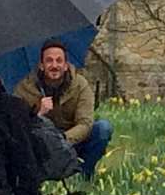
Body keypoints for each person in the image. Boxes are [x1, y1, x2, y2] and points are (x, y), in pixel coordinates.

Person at [11, 40, 113, 180]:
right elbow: (16, 126)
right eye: (49, 61)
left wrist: (63, 139)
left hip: (71, 141)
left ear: (66, 66)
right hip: (40, 146)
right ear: (41, 65)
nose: (54, 65)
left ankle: (83, 175)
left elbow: (85, 123)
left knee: (103, 128)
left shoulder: (80, 85)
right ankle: (35, 180)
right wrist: (38, 114)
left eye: (59, 61)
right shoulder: (25, 88)